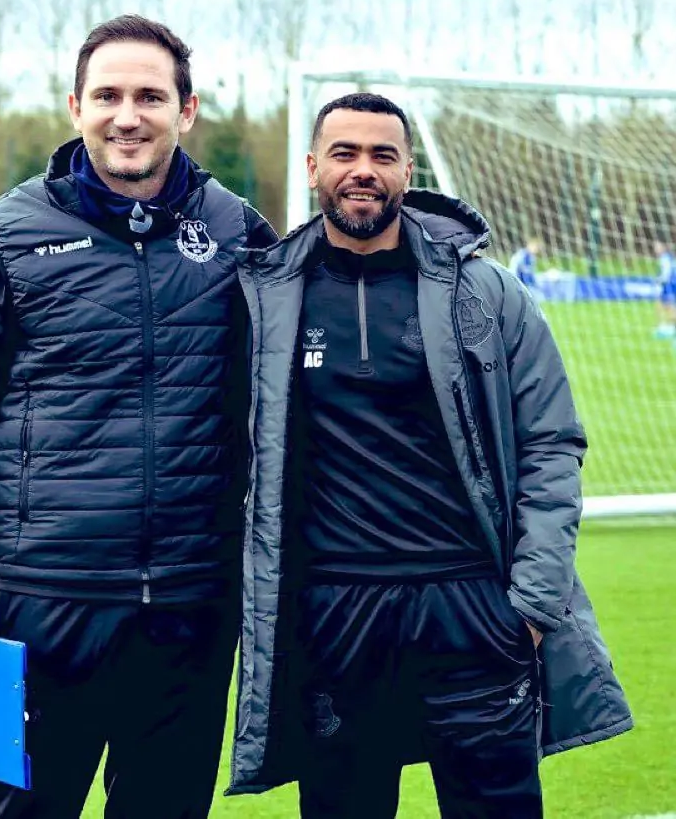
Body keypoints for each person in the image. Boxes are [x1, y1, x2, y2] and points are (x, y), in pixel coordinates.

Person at [227, 93, 632, 817]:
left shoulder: (486, 291)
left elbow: (551, 442)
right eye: (345, 153)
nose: (363, 169)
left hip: (469, 607)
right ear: (313, 166)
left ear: (407, 171)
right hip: (334, 613)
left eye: (382, 155)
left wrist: (530, 607)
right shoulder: (265, 297)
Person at [0, 14, 276, 819]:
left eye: (150, 96)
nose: (128, 115)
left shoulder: (236, 232)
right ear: (76, 106)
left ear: (186, 110)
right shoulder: (8, 233)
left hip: (192, 604)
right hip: (49, 600)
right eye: (108, 95)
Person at [653, 239, 676, 338]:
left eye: (657, 246)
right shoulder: (668, 257)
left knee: (665, 306)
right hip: (670, 284)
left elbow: (666, 273)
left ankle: (665, 327)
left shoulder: (665, 258)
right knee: (663, 306)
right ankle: (664, 326)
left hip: (668, 285)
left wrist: (658, 280)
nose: (655, 248)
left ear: (663, 247)